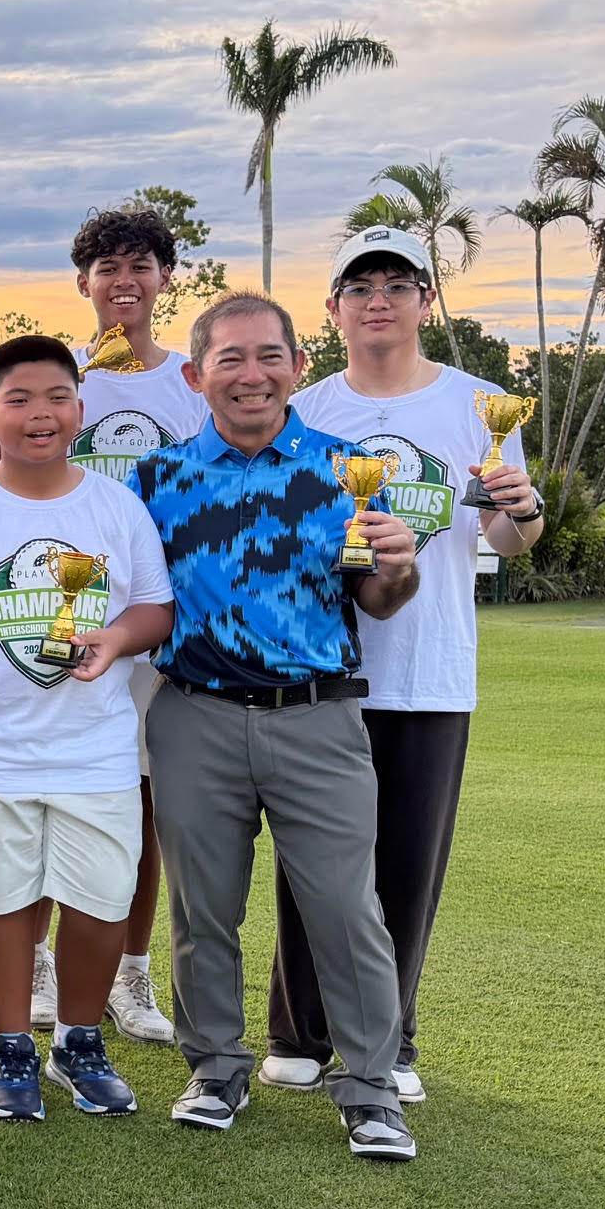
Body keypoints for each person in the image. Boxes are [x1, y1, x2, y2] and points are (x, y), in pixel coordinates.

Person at [130, 292, 425, 1161]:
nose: (250, 375)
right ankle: (217, 1067)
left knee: (345, 908)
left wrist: (399, 570)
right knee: (203, 910)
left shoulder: (348, 470)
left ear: (299, 366)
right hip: (195, 717)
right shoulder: (157, 480)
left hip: (318, 718)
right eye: (229, 359)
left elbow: (376, 597)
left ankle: (370, 1088)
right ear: (196, 375)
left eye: (268, 356)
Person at [261, 227, 544, 1105]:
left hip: (429, 671)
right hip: (322, 670)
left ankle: (392, 1039)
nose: (377, 299)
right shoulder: (306, 411)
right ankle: (298, 1034)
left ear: (425, 300)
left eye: (396, 283)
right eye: (359, 286)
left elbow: (509, 541)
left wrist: (523, 509)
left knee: (404, 868)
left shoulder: (481, 405)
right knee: (313, 860)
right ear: (336, 309)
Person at [0, 338, 176, 1125]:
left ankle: (80, 1043)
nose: (39, 414)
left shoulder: (116, 507)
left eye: (56, 396)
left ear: (80, 412)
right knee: (5, 902)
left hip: (97, 747)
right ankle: (12, 1046)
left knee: (101, 906)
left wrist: (116, 640)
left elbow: (155, 609)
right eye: (18, 400)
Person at [35, 202, 210, 1044]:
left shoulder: (192, 381)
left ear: (165, 279)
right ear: (84, 283)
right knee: (32, 789)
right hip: (51, 620)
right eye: (108, 268)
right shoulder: (55, 373)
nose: (124, 282)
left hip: (155, 624)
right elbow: (0, 471)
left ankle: (131, 978)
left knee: (140, 807)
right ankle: (37, 965)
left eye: (141, 266)